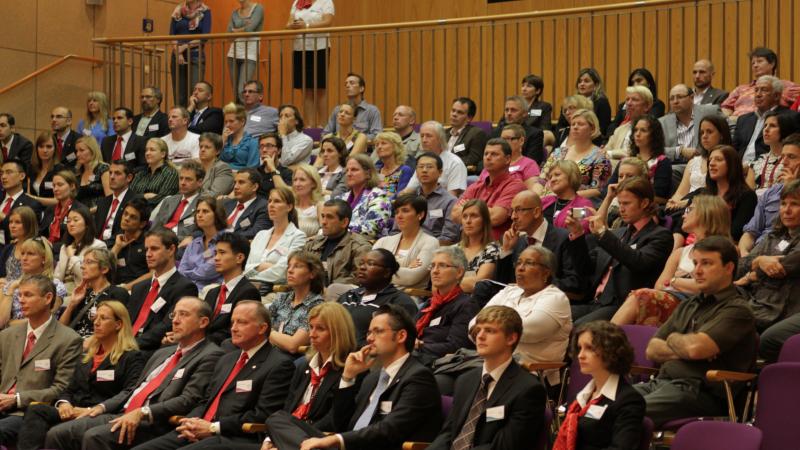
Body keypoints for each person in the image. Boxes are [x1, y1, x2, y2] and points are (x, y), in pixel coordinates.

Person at [43, 297, 223, 450]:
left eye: (183, 315)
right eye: (174, 314)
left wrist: (143, 412)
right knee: (57, 433)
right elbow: (133, 390)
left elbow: (188, 399)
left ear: (203, 322)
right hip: (122, 412)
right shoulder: (163, 352)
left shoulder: (210, 354)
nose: (175, 320)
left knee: (94, 437)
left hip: (154, 421)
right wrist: (100, 408)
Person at [128, 301, 295, 450]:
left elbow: (262, 415)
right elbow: (206, 401)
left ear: (262, 328)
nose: (234, 328)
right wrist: (191, 422)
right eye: (232, 322)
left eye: (242, 322)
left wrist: (214, 427)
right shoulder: (226, 359)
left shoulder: (278, 364)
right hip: (199, 431)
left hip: (232, 437)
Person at [635, 236, 757, 427]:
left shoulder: (738, 310)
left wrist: (675, 339)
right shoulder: (690, 304)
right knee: (597, 404)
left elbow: (695, 349)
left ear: (729, 268)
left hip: (699, 393)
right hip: (661, 383)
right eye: (695, 263)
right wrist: (687, 347)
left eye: (706, 263)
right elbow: (652, 349)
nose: (697, 271)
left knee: (624, 411)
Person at [297, 304, 442, 450]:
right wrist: (348, 377)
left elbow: (389, 430)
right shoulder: (372, 378)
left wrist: (335, 440)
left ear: (401, 336)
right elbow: (340, 424)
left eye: (378, 331)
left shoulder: (419, 378)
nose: (370, 338)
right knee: (281, 424)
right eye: (369, 333)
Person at [17, 300, 144, 450]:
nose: (96, 323)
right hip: (74, 409)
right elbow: (68, 389)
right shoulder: (86, 356)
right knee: (35, 410)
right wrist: (64, 403)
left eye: (103, 318)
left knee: (56, 432)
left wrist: (96, 408)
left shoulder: (131, 357)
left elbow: (129, 392)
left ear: (118, 325)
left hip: (101, 413)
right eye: (95, 318)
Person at [429, 305, 546, 450]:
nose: (480, 336)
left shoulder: (528, 389)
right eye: (478, 330)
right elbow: (448, 433)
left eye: (489, 331)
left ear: (511, 338)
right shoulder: (465, 380)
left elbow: (505, 446)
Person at [611, 195, 732, 326]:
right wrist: (686, 282)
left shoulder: (725, 250)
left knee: (640, 297)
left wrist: (675, 281)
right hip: (671, 300)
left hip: (699, 306)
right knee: (640, 299)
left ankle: (604, 341)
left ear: (706, 213)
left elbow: (709, 287)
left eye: (689, 210)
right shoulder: (680, 252)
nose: (683, 216)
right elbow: (659, 285)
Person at [566, 176, 673, 324]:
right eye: (620, 203)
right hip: (594, 302)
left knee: (578, 328)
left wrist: (603, 233)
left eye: (627, 203)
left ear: (644, 203)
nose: (621, 209)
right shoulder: (617, 233)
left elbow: (638, 262)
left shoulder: (660, 235)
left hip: (622, 306)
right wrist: (577, 235)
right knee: (553, 319)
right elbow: (586, 269)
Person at [0, 275, 82, 446]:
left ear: (48, 298)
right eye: (20, 295)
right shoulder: (6, 335)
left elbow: (61, 388)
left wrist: (17, 398)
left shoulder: (68, 339)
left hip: (27, 413)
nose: (21, 300)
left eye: (28, 295)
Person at [474, 246, 572, 382]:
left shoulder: (555, 298)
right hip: (491, 365)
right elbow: (474, 325)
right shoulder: (509, 291)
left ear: (546, 273)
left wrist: (487, 330)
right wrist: (491, 331)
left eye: (529, 263)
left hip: (531, 375)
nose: (520, 268)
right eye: (518, 262)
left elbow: (528, 332)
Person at [552, 320, 645, 450]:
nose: (580, 355)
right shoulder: (582, 396)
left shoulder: (628, 400)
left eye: (589, 348)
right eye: (580, 348)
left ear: (611, 351)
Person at [737, 180, 800, 361]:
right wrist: (759, 261)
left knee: (763, 338)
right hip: (759, 299)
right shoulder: (774, 236)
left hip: (783, 306)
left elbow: (787, 265)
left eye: (794, 204)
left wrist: (755, 274)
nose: (786, 210)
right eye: (783, 204)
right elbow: (741, 267)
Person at [496, 190, 587, 296]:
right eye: (512, 211)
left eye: (519, 210)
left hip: (552, 301)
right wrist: (507, 250)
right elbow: (502, 285)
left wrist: (536, 284)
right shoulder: (518, 242)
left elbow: (575, 283)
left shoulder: (564, 238)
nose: (513, 216)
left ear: (536, 212)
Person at [127, 228, 198, 353]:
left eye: (154, 249)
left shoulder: (185, 287)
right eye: (146, 249)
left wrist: (129, 345)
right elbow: (126, 321)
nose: (148, 254)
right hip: (124, 347)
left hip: (151, 350)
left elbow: (167, 325)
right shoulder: (139, 287)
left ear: (171, 250)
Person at [337, 249, 417, 346]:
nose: (362, 267)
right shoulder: (347, 296)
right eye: (361, 263)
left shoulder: (399, 302)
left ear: (387, 272)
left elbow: (404, 344)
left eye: (370, 264)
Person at [414, 246, 477, 365]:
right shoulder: (430, 303)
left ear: (459, 272)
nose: (435, 271)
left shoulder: (466, 305)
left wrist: (419, 346)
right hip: (416, 356)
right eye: (432, 266)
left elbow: (456, 346)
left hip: (437, 363)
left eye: (442, 265)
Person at [452, 138, 526, 240]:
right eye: (486, 154)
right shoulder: (476, 186)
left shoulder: (515, 186)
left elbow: (496, 217)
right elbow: (455, 214)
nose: (488, 157)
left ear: (508, 159)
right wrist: (487, 211)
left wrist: (466, 208)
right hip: (467, 244)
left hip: (496, 247)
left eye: (494, 154)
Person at [740, 133, 800, 255]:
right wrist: (744, 253)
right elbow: (751, 232)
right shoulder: (772, 192)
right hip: (757, 251)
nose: (784, 162)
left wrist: (792, 188)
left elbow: (789, 230)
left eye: (791, 157)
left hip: (786, 253)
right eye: (783, 157)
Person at [537, 109, 611, 200]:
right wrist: (536, 198)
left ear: (592, 128)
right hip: (546, 200)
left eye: (580, 124)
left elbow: (598, 190)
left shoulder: (600, 157)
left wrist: (561, 197)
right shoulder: (558, 152)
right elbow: (541, 181)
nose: (575, 127)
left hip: (574, 203)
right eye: (573, 124)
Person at [304, 199, 372, 297]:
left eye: (329, 217)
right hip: (309, 294)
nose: (323, 222)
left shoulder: (360, 247)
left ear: (344, 222)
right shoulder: (313, 244)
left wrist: (328, 290)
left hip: (339, 300)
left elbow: (359, 278)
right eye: (322, 216)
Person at [245, 187, 307, 291]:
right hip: (250, 287)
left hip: (275, 291)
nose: (271, 205)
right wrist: (264, 266)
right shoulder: (260, 235)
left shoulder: (298, 236)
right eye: (270, 201)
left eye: (277, 201)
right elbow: (246, 267)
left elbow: (282, 272)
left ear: (289, 207)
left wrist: (254, 271)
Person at [203, 232, 260, 345]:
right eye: (215, 253)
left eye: (222, 253)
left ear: (239, 258)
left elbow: (234, 331)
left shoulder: (249, 292)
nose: (216, 258)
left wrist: (198, 341)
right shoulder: (212, 292)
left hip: (225, 349)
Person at [667, 114, 733, 212]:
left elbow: (719, 193)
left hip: (708, 209)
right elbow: (680, 193)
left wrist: (687, 203)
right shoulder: (693, 162)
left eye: (709, 132)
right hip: (685, 207)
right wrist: (672, 202)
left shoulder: (729, 161)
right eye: (701, 133)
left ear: (722, 135)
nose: (704, 136)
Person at [59, 248, 130, 338]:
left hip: (97, 346)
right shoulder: (83, 294)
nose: (82, 267)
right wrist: (72, 304)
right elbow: (61, 329)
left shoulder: (118, 293)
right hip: (74, 344)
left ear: (104, 269)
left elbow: (117, 330)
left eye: (89, 262)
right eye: (83, 262)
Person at [374, 194, 439, 290]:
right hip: (375, 292)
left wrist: (379, 271)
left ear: (420, 215)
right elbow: (369, 271)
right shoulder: (382, 242)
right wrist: (406, 267)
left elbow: (411, 278)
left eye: (405, 211)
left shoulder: (430, 242)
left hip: (408, 298)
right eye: (396, 212)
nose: (399, 216)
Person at [0, 238, 67, 329]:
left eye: (30, 254)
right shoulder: (10, 286)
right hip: (11, 337)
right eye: (22, 253)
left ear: (43, 258)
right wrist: (11, 289)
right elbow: (1, 322)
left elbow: (42, 321)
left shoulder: (56, 286)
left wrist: (11, 323)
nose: (24, 258)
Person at [287, 0, 334, 126]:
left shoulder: (325, 1)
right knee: (306, 89)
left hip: (319, 48)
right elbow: (288, 23)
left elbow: (327, 22)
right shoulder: (297, 2)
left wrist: (306, 26)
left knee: (320, 89)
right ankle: (310, 126)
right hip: (299, 48)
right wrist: (293, 25)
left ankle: (323, 126)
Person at [268, 251, 325, 354]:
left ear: (312, 274)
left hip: (289, 359)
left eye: (297, 266)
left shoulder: (317, 305)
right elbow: (260, 325)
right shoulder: (281, 298)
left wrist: (267, 332)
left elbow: (293, 345)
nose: (290, 270)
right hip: (268, 352)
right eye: (289, 266)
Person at [606, 115, 672, 202]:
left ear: (654, 135)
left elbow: (660, 196)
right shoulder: (626, 160)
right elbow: (610, 187)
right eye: (636, 130)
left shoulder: (662, 162)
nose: (637, 134)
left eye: (643, 130)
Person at [722, 47, 800, 119]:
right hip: (736, 124)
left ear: (772, 64)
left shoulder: (787, 86)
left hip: (766, 122)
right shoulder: (741, 89)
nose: (755, 65)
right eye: (753, 63)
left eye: (759, 61)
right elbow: (725, 108)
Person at [700, 145, 758, 241]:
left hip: (723, 245)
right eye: (710, 160)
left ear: (732, 165)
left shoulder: (747, 196)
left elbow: (736, 232)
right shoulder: (703, 193)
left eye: (718, 160)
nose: (711, 163)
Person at [732, 75, 791, 164]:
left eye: (764, 90)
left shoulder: (789, 118)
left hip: (767, 168)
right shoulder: (743, 120)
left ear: (776, 96)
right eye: (756, 90)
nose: (758, 94)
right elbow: (733, 149)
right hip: (738, 170)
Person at [659, 83, 721, 166]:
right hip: (674, 166)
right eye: (672, 98)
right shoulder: (662, 122)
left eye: (679, 97)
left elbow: (729, 130)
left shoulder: (710, 111)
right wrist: (679, 151)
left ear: (692, 98)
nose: (675, 101)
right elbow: (654, 150)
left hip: (707, 163)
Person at [403, 121, 468, 197]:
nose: (424, 140)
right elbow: (408, 190)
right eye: (422, 136)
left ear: (440, 139)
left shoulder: (455, 163)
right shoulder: (422, 162)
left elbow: (452, 197)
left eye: (428, 136)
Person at [334, 154, 392, 240]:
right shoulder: (340, 198)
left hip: (366, 246)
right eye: (347, 170)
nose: (349, 174)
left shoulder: (379, 196)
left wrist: (336, 229)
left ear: (368, 173)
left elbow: (371, 229)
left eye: (354, 170)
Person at [151, 160, 204, 247]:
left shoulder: (203, 204)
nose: (183, 183)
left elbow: (205, 232)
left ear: (199, 182)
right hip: (159, 244)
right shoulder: (168, 201)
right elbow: (155, 227)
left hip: (181, 247)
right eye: (181, 178)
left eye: (188, 179)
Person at [177, 196, 226, 291]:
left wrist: (188, 273)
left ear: (217, 215)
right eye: (198, 211)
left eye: (205, 211)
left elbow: (207, 271)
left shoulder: (225, 241)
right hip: (187, 290)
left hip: (211, 292)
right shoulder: (193, 243)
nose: (199, 215)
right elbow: (181, 271)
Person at [410, 152, 460, 245]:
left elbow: (449, 237)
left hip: (434, 249)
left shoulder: (450, 201)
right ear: (416, 172)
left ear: (440, 173)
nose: (424, 170)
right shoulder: (409, 198)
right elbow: (396, 231)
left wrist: (424, 247)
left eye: (429, 167)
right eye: (421, 167)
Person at [169, 0, 211, 107]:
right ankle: (180, 120)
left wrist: (183, 47)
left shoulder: (205, 12)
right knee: (179, 94)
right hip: (177, 56)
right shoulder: (178, 10)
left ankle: (194, 121)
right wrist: (178, 53)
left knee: (196, 92)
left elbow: (204, 36)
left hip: (195, 55)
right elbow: (172, 35)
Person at [746, 110, 799, 193]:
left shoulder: (791, 160)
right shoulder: (757, 161)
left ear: (784, 129)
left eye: (773, 126)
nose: (766, 129)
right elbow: (748, 194)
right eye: (765, 125)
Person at [54, 207, 107, 290]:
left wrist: (72, 257)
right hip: (62, 290)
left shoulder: (98, 246)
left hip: (83, 290)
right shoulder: (65, 247)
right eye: (68, 221)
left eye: (75, 220)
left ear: (87, 223)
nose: (71, 224)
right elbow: (57, 277)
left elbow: (87, 276)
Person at [454, 199, 500, 294]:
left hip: (474, 303)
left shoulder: (491, 249)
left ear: (485, 220)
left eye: (474, 216)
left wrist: (447, 283)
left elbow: (479, 284)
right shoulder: (454, 249)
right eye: (464, 216)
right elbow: (436, 285)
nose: (468, 221)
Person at [323, 73, 382, 140]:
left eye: (352, 83)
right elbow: (326, 134)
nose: (347, 85)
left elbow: (377, 135)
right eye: (346, 84)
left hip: (362, 149)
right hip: (338, 147)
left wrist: (353, 139)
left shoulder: (372, 110)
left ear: (361, 88)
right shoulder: (337, 110)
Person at [490, 96, 545, 164]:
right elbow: (482, 161)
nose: (509, 113)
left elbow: (532, 162)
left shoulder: (534, 134)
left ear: (524, 113)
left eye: (513, 110)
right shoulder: (495, 133)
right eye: (506, 110)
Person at [227, 1, 264, 102]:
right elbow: (228, 34)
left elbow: (249, 30)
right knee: (236, 93)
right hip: (232, 54)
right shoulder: (235, 13)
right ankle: (239, 117)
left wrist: (236, 30)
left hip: (250, 54)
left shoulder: (258, 8)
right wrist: (244, 28)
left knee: (242, 90)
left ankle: (247, 117)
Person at [541, 159, 595, 230]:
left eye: (557, 175)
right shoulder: (545, 201)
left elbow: (579, 230)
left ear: (572, 176)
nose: (552, 179)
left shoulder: (583, 205)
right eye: (550, 177)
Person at [604, 86, 654, 161]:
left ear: (646, 106)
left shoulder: (652, 127)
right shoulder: (620, 129)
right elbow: (604, 152)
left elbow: (634, 152)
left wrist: (611, 153)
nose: (629, 103)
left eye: (634, 100)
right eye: (627, 99)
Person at [110, 198, 151, 290]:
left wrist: (126, 288)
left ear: (142, 224)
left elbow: (153, 273)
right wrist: (117, 247)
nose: (126, 218)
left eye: (133, 217)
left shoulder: (149, 242)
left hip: (137, 290)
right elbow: (104, 268)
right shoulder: (116, 238)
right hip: (114, 288)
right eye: (125, 214)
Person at [0, 159, 43, 245]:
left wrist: (3, 217)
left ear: (22, 176)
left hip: (13, 249)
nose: (3, 177)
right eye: (1, 173)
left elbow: (27, 232)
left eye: (9, 172)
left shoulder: (31, 204)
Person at [610, 68, 666, 133]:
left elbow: (649, 124)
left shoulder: (657, 104)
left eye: (639, 81)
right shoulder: (623, 105)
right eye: (632, 82)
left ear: (649, 83)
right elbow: (613, 125)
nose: (635, 84)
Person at [557, 68, 612, 135]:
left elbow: (603, 128)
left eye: (586, 81)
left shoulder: (602, 102)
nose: (582, 84)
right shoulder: (570, 102)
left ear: (596, 85)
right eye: (580, 82)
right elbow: (559, 126)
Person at [129, 138, 179, 207]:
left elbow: (164, 199)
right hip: (135, 212)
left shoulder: (170, 173)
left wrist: (138, 197)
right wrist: (145, 196)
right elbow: (128, 196)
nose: (147, 153)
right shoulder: (140, 173)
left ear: (163, 154)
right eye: (146, 150)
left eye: (152, 150)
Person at [224, 169, 270, 240]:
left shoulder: (263, 206)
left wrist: (227, 237)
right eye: (235, 183)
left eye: (241, 182)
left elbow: (256, 232)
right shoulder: (228, 204)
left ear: (254, 187)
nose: (235, 187)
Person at [41, 170, 84, 247]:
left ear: (72, 186)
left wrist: (50, 246)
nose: (55, 189)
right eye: (54, 186)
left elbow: (77, 240)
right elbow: (41, 233)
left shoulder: (80, 210)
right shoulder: (50, 209)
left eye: (60, 185)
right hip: (47, 251)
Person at [446, 97, 489, 172]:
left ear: (469, 118)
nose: (454, 114)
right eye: (453, 111)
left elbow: (472, 159)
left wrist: (448, 164)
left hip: (460, 172)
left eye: (460, 112)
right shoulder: (443, 133)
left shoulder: (476, 134)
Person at [495, 124, 540, 190]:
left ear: (521, 141)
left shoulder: (529, 164)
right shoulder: (494, 162)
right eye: (502, 139)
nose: (503, 143)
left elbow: (531, 194)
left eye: (508, 139)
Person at [27, 131, 66, 205]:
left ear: (55, 149)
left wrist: (34, 199)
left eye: (49, 147)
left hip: (51, 212)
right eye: (41, 146)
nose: (45, 150)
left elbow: (58, 201)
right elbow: (28, 193)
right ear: (36, 149)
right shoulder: (32, 167)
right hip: (33, 211)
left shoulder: (60, 170)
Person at [0, 206, 37, 281]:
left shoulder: (37, 247)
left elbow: (38, 277)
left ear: (28, 224)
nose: (12, 226)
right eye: (10, 222)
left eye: (18, 222)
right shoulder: (8, 248)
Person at [74, 136, 111, 209]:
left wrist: (89, 212)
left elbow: (109, 199)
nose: (77, 154)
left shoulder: (103, 169)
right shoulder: (77, 172)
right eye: (76, 151)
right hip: (79, 216)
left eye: (81, 150)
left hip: (98, 213)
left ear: (92, 151)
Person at [220, 102, 260, 170]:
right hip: (222, 175)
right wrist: (222, 141)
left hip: (242, 177)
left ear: (242, 122)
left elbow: (252, 168)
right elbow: (214, 162)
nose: (227, 125)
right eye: (226, 122)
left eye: (231, 121)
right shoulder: (224, 139)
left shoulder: (252, 142)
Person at [374, 131, 413, 197]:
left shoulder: (404, 170)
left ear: (395, 147)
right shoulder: (376, 170)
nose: (379, 147)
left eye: (383, 143)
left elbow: (401, 196)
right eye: (377, 144)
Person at [256, 132, 293, 198]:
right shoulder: (255, 172)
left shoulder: (287, 173)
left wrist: (272, 169)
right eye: (261, 146)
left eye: (269, 146)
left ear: (279, 150)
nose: (264, 150)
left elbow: (285, 196)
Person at [293, 163, 325, 237]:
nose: (297, 184)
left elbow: (323, 233)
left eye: (302, 180)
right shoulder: (290, 205)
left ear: (314, 183)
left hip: (312, 246)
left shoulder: (320, 206)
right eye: (295, 180)